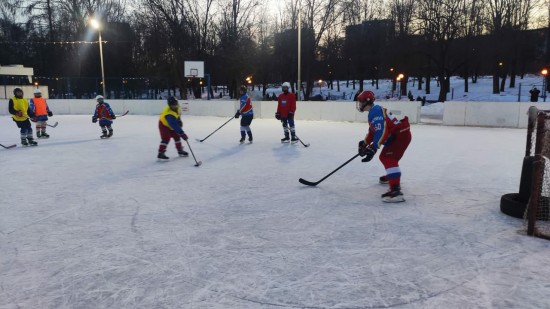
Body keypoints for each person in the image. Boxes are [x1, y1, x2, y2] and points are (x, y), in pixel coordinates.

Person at [356, 90, 412, 203]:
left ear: (366, 102)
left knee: (388, 158)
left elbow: (382, 130)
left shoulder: (375, 111)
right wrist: (365, 143)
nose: (359, 104)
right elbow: (374, 131)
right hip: (401, 134)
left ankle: (395, 191)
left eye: (360, 102)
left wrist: (374, 147)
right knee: (389, 157)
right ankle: (392, 176)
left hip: (399, 135)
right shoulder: (374, 111)